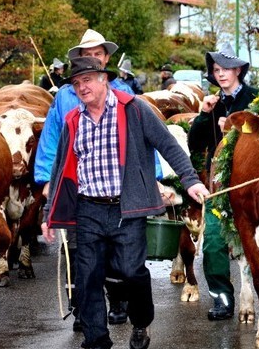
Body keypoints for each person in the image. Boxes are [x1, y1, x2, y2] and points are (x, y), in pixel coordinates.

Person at [41, 56, 209, 349]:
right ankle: (97, 340)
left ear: (104, 79)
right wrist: (48, 214)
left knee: (132, 273)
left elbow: (167, 144)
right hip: (88, 208)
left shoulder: (134, 109)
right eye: (77, 83)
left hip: (127, 208)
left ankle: (141, 322)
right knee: (87, 277)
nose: (82, 87)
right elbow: (60, 169)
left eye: (88, 80)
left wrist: (191, 180)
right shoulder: (73, 120)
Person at [34, 29, 136, 331]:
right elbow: (53, 139)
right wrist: (46, 179)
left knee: (116, 254)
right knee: (78, 251)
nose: (92, 58)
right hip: (75, 186)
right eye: (86, 54)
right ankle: (83, 308)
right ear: (79, 59)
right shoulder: (65, 96)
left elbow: (140, 138)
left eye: (98, 53)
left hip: (114, 187)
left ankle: (117, 300)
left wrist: (151, 178)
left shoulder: (125, 94)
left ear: (106, 59)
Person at [188, 43, 258, 321]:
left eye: (226, 68)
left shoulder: (256, 99)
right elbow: (195, 144)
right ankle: (222, 299)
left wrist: (236, 127)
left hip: (252, 183)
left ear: (238, 70)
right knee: (213, 241)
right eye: (216, 70)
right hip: (219, 182)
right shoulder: (212, 104)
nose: (221, 74)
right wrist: (205, 115)